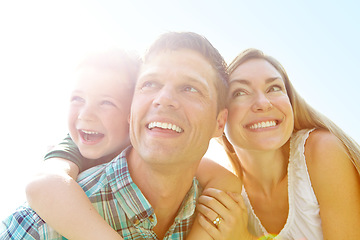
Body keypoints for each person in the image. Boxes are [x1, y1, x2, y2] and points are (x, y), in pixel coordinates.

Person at [0, 32, 245, 240]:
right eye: (150, 84)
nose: (163, 99)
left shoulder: (219, 217)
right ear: (132, 110)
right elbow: (44, 183)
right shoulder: (45, 224)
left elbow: (227, 180)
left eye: (190, 88)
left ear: (219, 122)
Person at [200, 48, 360, 240]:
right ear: (220, 117)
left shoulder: (322, 150)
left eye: (274, 88)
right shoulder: (229, 193)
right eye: (240, 92)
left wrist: (244, 237)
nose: (263, 103)